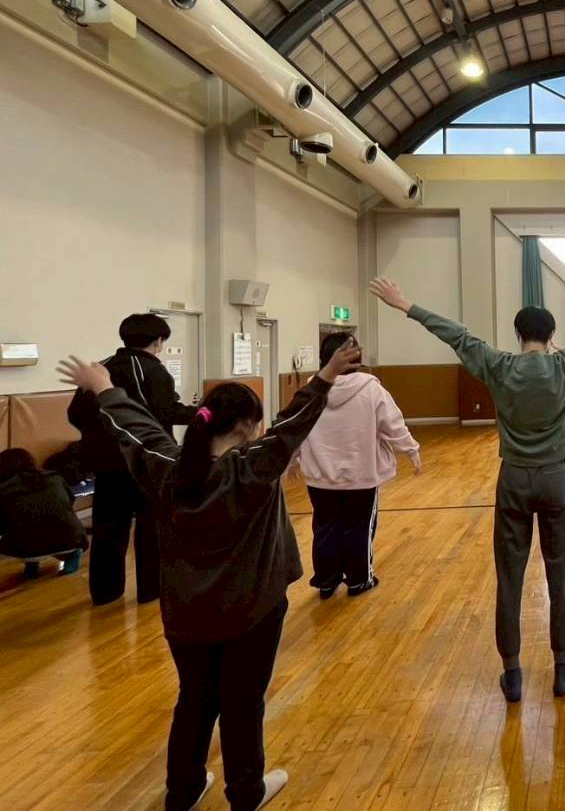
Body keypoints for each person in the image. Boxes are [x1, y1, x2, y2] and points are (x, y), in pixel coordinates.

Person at [56, 339, 361, 811]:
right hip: (252, 612)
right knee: (243, 703)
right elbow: (293, 424)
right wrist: (326, 375)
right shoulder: (252, 468)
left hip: (186, 615)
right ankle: (246, 792)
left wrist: (105, 389)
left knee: (194, 701)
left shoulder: (167, 468)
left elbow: (136, 430)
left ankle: (183, 791)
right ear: (245, 427)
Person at [369, 260, 565, 704]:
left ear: (517, 334)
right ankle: (562, 666)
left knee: (509, 577)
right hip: (555, 479)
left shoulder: (498, 365)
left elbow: (455, 334)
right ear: (552, 335)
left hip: (512, 479)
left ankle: (512, 673)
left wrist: (405, 305)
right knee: (558, 573)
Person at [67, 312, 197, 605]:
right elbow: (165, 412)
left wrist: (101, 440)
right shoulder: (153, 370)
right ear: (158, 341)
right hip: (146, 462)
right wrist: (204, 413)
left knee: (108, 529)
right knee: (152, 528)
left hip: (106, 466)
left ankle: (105, 593)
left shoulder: (100, 369)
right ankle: (151, 590)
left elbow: (75, 414)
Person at [295, 332, 421, 599]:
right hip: (361, 475)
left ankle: (326, 581)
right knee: (359, 527)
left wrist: (291, 457)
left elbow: (295, 428)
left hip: (320, 475)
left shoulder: (311, 391)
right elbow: (393, 424)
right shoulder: (371, 389)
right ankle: (359, 579)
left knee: (324, 527)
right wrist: (410, 449)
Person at [0, 447, 88, 579]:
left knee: (25, 531)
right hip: (70, 540)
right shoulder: (54, 477)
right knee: (58, 531)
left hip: (24, 549)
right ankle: (72, 555)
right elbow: (69, 500)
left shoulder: (4, 489)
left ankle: (31, 563)